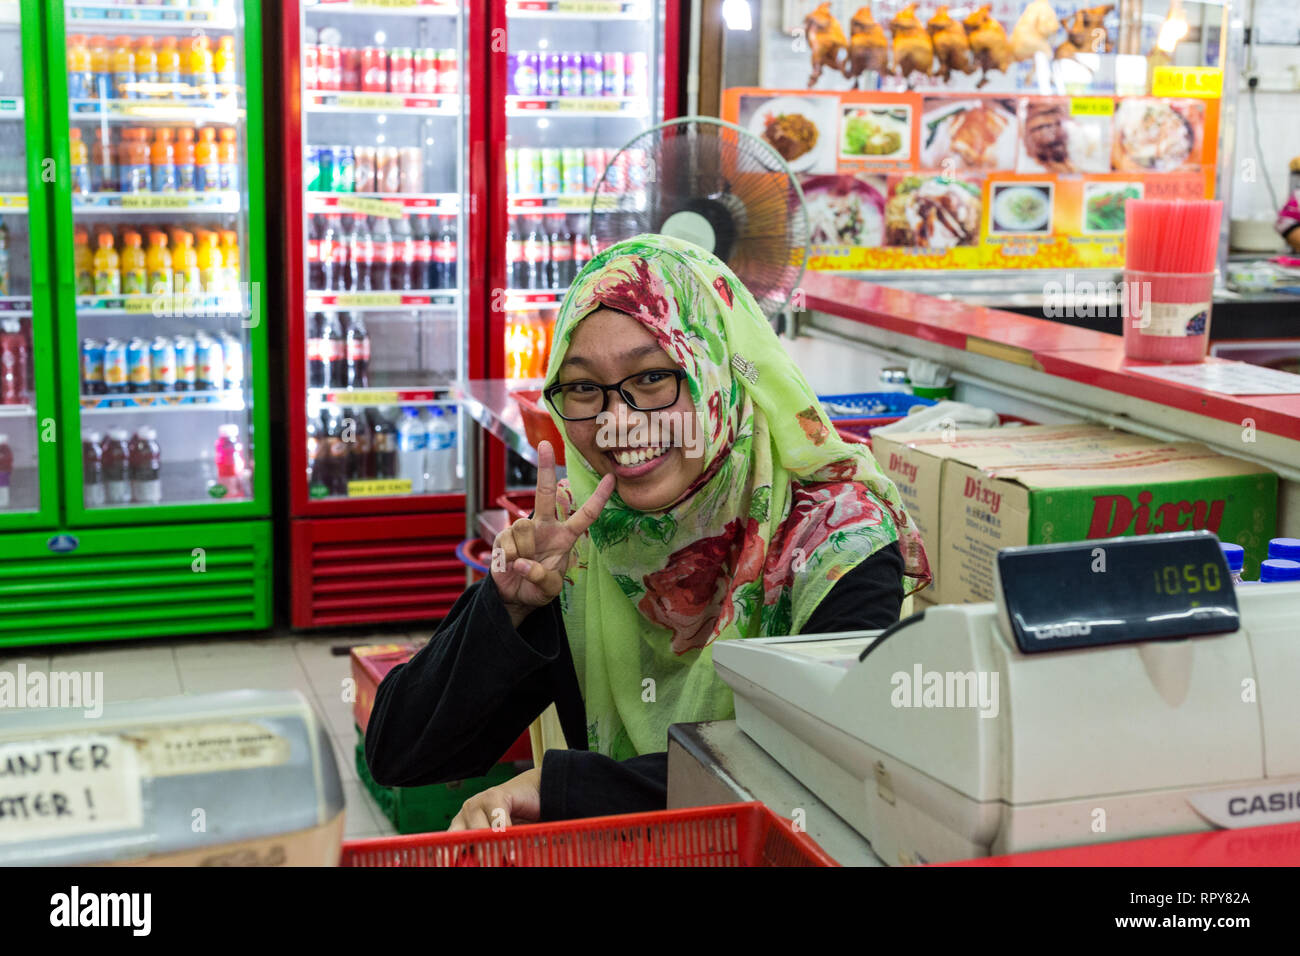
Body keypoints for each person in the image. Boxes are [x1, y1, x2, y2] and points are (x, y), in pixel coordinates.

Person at [364, 234, 930, 829]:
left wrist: (562, 787)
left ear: (716, 372)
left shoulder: (838, 539)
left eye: (653, 378)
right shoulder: (584, 542)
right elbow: (402, 751)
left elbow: (816, 774)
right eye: (583, 387)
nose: (618, 421)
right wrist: (508, 608)